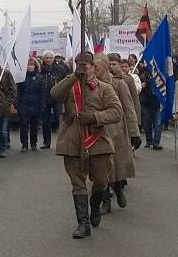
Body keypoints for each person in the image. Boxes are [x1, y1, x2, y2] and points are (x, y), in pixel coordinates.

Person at [51, 52, 122, 239]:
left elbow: (116, 112)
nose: (83, 68)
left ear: (93, 67)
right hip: (72, 138)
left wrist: (95, 117)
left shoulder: (104, 88)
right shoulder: (70, 84)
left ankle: (96, 204)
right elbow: (55, 94)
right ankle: (83, 223)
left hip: (97, 138)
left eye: (86, 65)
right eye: (78, 64)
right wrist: (74, 76)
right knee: (77, 182)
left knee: (100, 181)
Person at [101, 53, 141, 213]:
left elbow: (129, 107)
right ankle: (105, 201)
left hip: (116, 132)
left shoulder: (120, 83)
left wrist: (134, 131)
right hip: (97, 131)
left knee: (115, 168)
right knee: (100, 169)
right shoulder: (89, 84)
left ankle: (118, 189)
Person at [16, 57, 46, 153]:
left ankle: (33, 144)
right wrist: (17, 104)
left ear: (35, 66)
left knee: (34, 127)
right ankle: (24, 145)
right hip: (24, 105)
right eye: (28, 64)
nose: (30, 67)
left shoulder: (40, 78)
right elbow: (18, 92)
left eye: (32, 65)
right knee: (24, 126)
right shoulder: (21, 78)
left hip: (35, 105)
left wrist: (42, 105)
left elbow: (42, 93)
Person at [41, 50, 69, 148]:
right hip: (45, 98)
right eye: (47, 58)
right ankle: (46, 142)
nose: (49, 60)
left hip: (58, 97)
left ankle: (63, 142)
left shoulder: (60, 69)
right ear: (43, 59)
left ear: (53, 59)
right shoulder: (40, 69)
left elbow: (66, 82)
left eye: (50, 58)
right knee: (45, 121)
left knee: (60, 120)